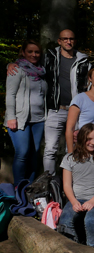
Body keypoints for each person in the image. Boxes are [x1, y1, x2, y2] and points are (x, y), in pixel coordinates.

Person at [17, 29, 90, 175]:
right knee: (50, 149)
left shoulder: (84, 60)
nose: (68, 42)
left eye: (71, 39)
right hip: (55, 109)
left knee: (76, 147)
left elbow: (91, 82)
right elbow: (31, 65)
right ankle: (49, 185)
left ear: (75, 41)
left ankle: (73, 184)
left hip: (76, 111)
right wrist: (12, 65)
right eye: (65, 39)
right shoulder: (49, 57)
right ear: (59, 41)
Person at [57, 123, 94, 248]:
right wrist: (73, 201)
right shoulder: (69, 159)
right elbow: (67, 185)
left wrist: (92, 201)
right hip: (76, 198)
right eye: (89, 139)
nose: (93, 142)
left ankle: (91, 249)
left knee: (90, 220)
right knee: (65, 220)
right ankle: (71, 248)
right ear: (82, 139)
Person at [5, 40, 47, 185]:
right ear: (23, 52)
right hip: (19, 118)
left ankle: (31, 189)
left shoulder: (42, 71)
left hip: (39, 119)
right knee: (22, 153)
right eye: (30, 51)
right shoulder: (16, 70)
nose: (34, 55)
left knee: (34, 155)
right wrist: (11, 117)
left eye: (37, 52)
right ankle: (19, 189)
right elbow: (10, 95)